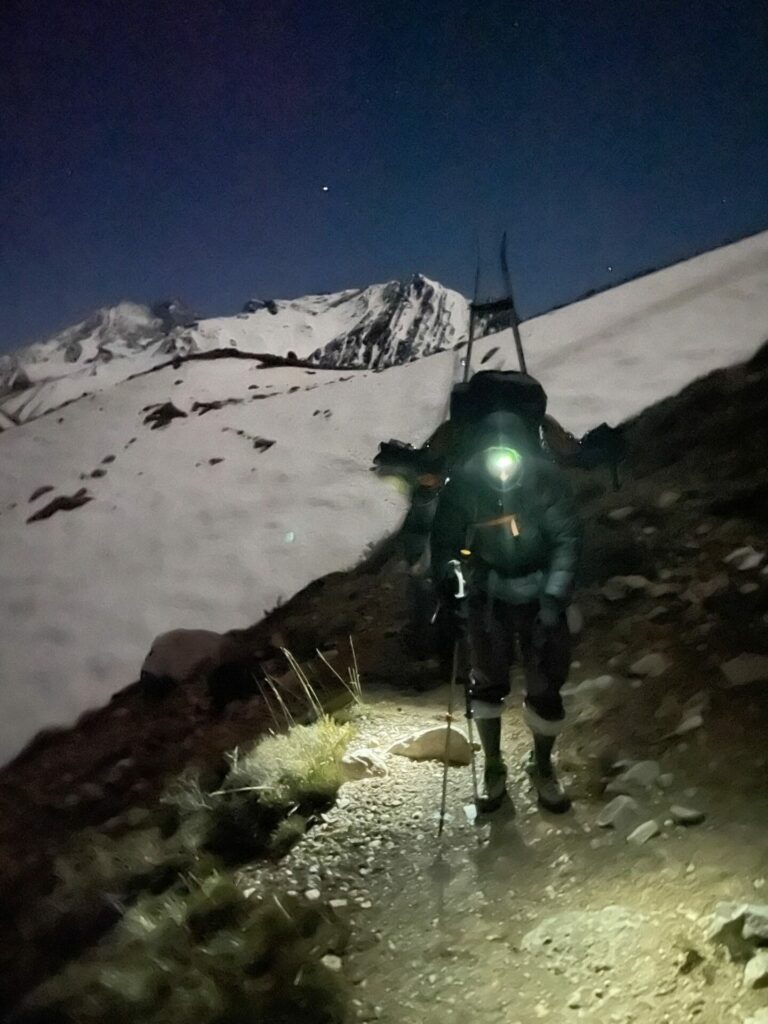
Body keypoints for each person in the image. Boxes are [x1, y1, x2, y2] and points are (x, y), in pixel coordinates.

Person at [430, 409, 581, 814]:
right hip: (487, 593)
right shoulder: (463, 487)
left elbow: (566, 539)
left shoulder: (545, 482)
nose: (501, 462)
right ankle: (493, 765)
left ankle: (542, 765)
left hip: (538, 592)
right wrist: (447, 576)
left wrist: (553, 597)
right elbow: (445, 539)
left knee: (546, 684)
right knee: (485, 680)